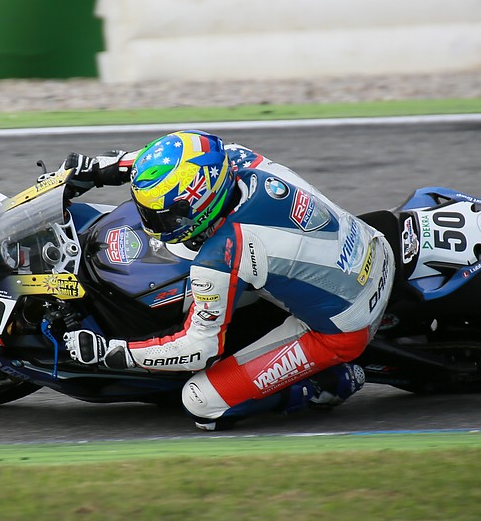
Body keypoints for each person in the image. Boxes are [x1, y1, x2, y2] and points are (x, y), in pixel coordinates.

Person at [54, 129, 395, 431]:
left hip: (346, 325)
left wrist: (114, 353)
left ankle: (327, 384)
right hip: (372, 242)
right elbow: (165, 160)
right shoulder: (235, 158)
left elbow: (198, 350)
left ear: (197, 206)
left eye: (162, 215)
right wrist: (98, 168)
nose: (153, 223)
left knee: (201, 401)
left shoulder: (222, 254)